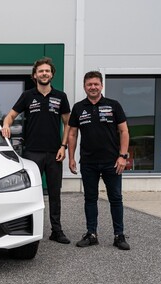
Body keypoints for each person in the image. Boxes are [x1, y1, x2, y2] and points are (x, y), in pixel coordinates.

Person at [2, 57, 71, 244]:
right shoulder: (27, 96)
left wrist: (63, 147)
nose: (44, 74)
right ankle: (28, 229)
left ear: (52, 74)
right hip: (32, 153)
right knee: (31, 192)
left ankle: (56, 231)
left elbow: (68, 124)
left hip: (54, 152)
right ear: (35, 75)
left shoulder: (60, 97)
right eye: (41, 71)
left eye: (47, 71)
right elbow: (10, 116)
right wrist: (6, 125)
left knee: (55, 193)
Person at [68, 71, 130, 250]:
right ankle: (91, 234)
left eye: (96, 84)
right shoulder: (79, 108)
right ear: (84, 87)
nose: (93, 87)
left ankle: (119, 235)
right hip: (88, 162)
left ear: (101, 86)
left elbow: (124, 131)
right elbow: (72, 133)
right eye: (89, 84)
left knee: (116, 198)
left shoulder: (113, 105)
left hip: (112, 162)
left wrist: (123, 156)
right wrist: (71, 158)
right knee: (90, 198)